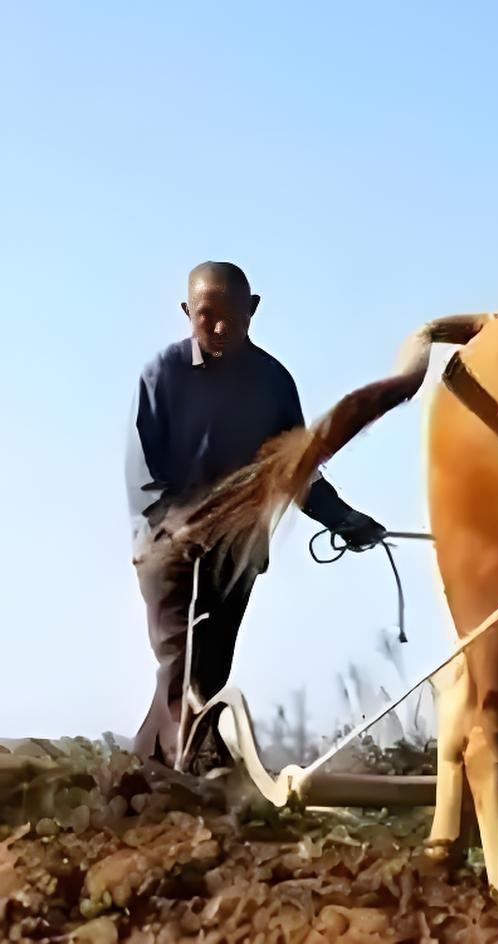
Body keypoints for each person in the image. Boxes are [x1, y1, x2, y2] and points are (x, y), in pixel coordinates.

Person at [125, 260, 385, 770]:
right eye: (207, 315)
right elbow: (145, 475)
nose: (220, 326)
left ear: (254, 309)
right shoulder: (163, 375)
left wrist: (344, 519)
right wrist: (180, 526)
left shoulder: (273, 382)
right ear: (187, 312)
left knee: (212, 667)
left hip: (238, 551)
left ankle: (153, 771)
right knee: (179, 661)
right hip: (169, 549)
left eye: (233, 314)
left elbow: (295, 470)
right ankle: (194, 766)